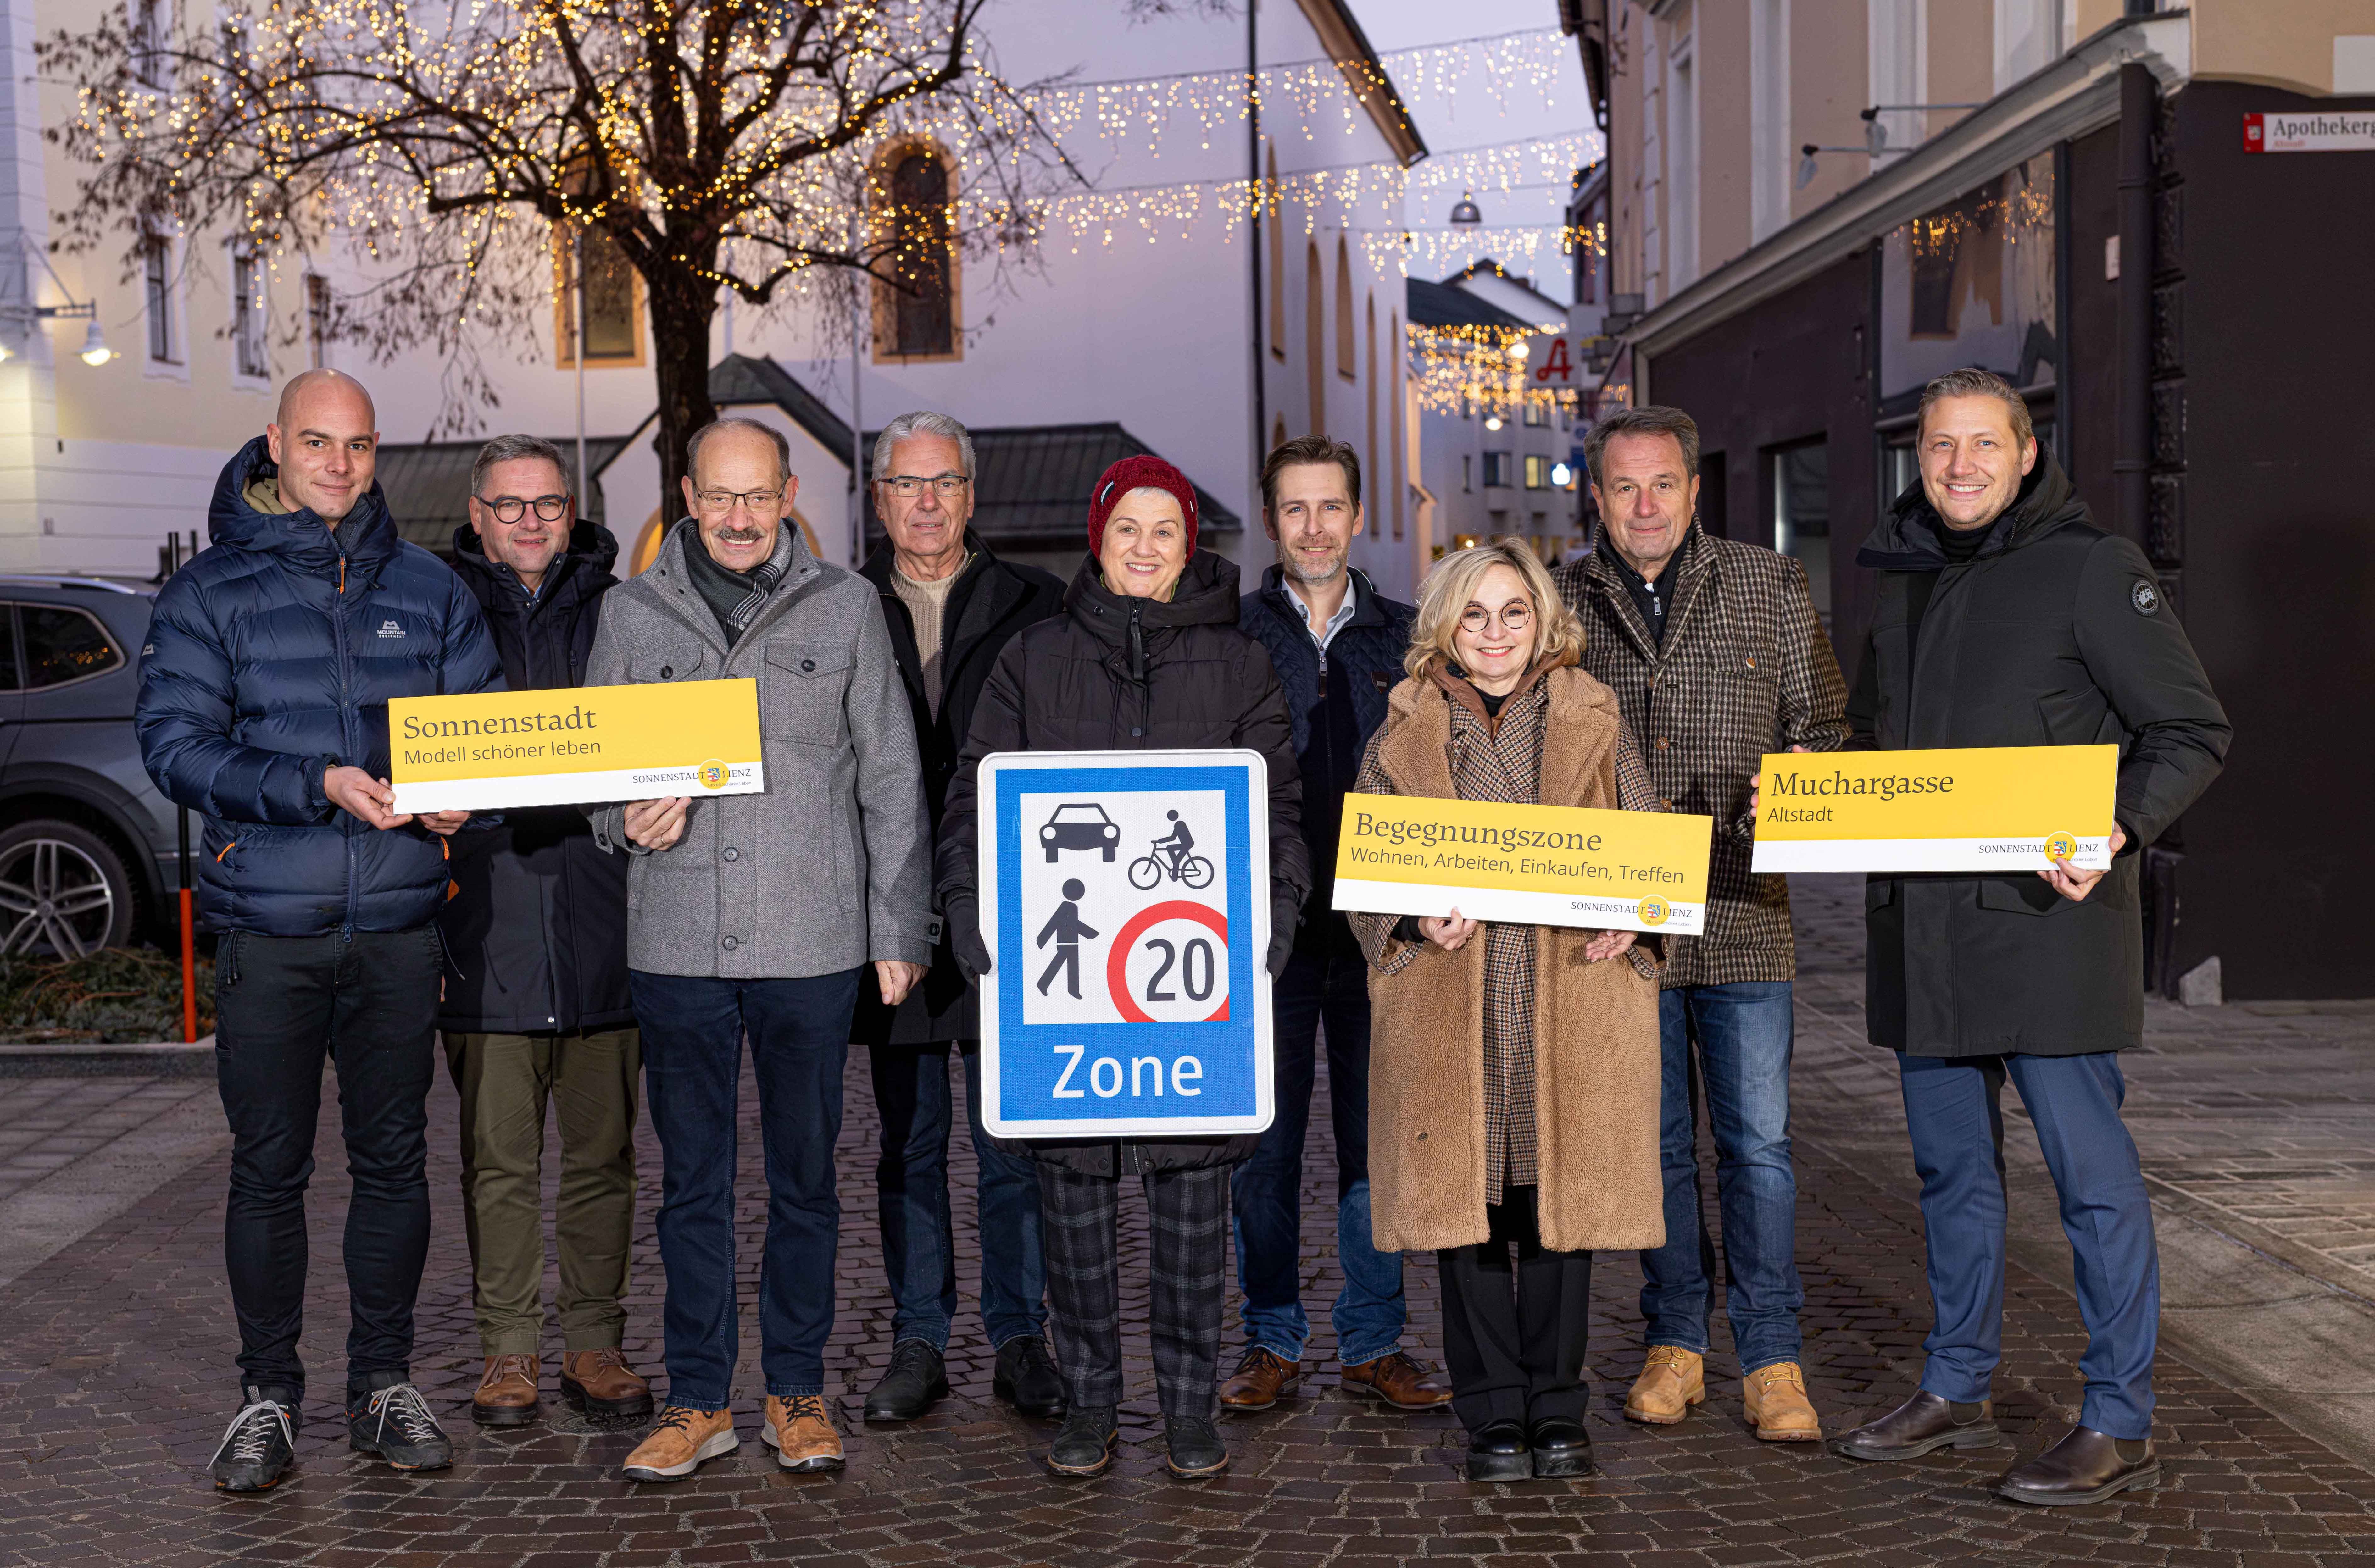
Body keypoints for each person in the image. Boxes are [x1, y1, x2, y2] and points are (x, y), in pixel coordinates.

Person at [1828, 368, 2228, 1506]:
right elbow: (1873, 743)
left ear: (2024, 454)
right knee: (1951, 1172)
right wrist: (1819, 791)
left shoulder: (2092, 568)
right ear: (1920, 457)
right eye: (1940, 446)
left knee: (2087, 1178)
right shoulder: (1895, 573)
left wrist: (2118, 824)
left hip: (2049, 930)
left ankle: (2118, 1413)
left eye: (1981, 445)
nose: (1958, 466)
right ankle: (1953, 1386)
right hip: (1926, 935)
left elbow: (2191, 727)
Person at [136, 369, 503, 1493]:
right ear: (275, 444)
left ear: (377, 451)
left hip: (398, 927)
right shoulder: (210, 591)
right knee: (270, 1170)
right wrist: (314, 782)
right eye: (315, 442)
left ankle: (386, 1384)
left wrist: (467, 795)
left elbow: (482, 735)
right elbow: (174, 746)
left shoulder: (433, 586)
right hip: (270, 932)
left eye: (356, 445)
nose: (337, 464)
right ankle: (267, 1398)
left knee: (394, 1165)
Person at [938, 454, 1310, 1481]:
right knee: (1075, 1207)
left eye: (1166, 529)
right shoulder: (1032, 658)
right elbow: (976, 801)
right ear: (1095, 539)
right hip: (1062, 991)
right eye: (1126, 528)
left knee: (1195, 1208)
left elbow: (1275, 808)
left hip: (1199, 988)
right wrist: (976, 930)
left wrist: (1271, 929)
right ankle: (1092, 1402)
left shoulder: (1240, 664)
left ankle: (1189, 1406)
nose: (1145, 547)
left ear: (1191, 543)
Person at [586, 418, 935, 1482]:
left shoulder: (845, 606)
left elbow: (891, 776)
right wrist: (620, 814)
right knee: (690, 1182)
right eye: (719, 497)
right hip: (679, 938)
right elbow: (596, 765)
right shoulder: (630, 611)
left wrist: (895, 928)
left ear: (787, 493)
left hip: (812, 938)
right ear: (687, 496)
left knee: (804, 1179)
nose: (739, 518)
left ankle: (795, 1388)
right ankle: (699, 1398)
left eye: (759, 496)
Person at [1548, 407, 1846, 1443]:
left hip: (1745, 912)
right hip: (1620, 922)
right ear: (1597, 496)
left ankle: (1771, 1354)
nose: (1643, 505)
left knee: (1759, 1146)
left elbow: (1824, 728)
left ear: (1693, 487)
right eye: (1623, 487)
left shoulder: (1768, 585)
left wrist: (1805, 779)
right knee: (1656, 1147)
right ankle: (1676, 1339)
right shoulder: (1558, 603)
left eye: (1662, 484)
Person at [1347, 541, 1665, 1483]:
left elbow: (1645, 849)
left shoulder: (1593, 718)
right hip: (1450, 1000)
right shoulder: (1400, 730)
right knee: (1467, 1215)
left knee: (1558, 1212)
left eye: (1513, 612)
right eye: (1475, 615)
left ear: (1544, 622)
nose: (1494, 633)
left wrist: (1636, 922)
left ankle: (1558, 1408)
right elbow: (1367, 876)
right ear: (1446, 625)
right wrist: (1407, 914)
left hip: (1565, 992)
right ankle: (1491, 1412)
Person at [848, 410, 1065, 1424]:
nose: (926, 502)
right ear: (879, 496)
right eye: (906, 484)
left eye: (944, 483)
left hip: (1013, 911)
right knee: (909, 1143)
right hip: (889, 910)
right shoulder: (836, 604)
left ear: (971, 495)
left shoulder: (1038, 604)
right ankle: (920, 1339)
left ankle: (1023, 1335)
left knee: (1012, 1141)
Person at [1226, 435, 1449, 1416]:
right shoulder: (1227, 638)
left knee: (1378, 1149)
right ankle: (1271, 1339)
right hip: (1262, 940)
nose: (1314, 527)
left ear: (1358, 518)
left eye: (1331, 508)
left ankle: (1373, 1339)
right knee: (1263, 1152)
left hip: (1382, 939)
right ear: (1271, 520)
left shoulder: (1409, 641)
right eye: (1294, 509)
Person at [438, 435, 650, 1429]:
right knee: (500, 1159)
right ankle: (508, 1352)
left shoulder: (627, 609)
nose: (531, 522)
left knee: (606, 1155)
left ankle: (595, 1342)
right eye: (510, 504)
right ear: (476, 514)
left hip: (610, 926)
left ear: (574, 512)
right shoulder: (435, 610)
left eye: (549, 504)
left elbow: (670, 736)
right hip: (487, 927)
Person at [1035, 881, 1098, 1000]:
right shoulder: (1066, 907)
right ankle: (1043, 984)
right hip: (1065, 942)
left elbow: (1074, 924)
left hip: (1073, 942)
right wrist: (1042, 939)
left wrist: (1090, 933)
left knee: (1073, 965)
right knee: (1059, 962)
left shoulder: (1073, 908)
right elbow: (1054, 923)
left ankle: (1073, 990)